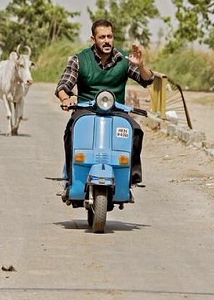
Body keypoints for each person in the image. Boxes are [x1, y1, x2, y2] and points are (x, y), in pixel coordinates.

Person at [55, 19, 154, 197]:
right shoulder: (80, 59)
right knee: (71, 131)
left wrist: (140, 65)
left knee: (136, 131)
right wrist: (66, 98)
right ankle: (71, 178)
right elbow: (63, 85)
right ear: (93, 39)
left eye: (109, 36)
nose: (107, 40)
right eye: (102, 37)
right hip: (86, 109)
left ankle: (131, 177)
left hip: (116, 111)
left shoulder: (124, 60)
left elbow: (147, 80)